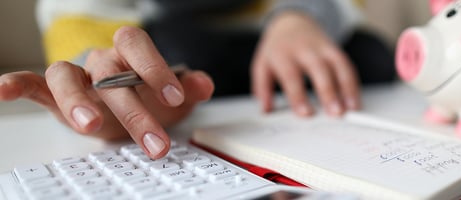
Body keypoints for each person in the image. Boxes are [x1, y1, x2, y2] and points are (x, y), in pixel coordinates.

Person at [0, 0, 395, 159]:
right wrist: (100, 75)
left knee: (370, 54)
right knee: (179, 44)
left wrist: (297, 16)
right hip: (173, 47)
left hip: (288, 32)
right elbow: (77, 24)